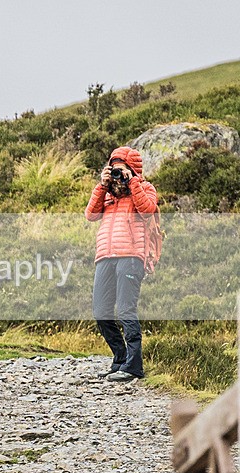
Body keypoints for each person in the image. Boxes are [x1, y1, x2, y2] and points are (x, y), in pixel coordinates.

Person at [85, 146, 158, 382]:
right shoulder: (107, 193)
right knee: (101, 311)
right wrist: (102, 186)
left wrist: (132, 182)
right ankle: (120, 360)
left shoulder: (145, 188)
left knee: (126, 309)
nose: (117, 174)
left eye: (122, 169)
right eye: (113, 168)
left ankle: (134, 366)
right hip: (105, 255)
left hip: (131, 255)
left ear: (132, 169)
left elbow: (148, 210)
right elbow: (90, 214)